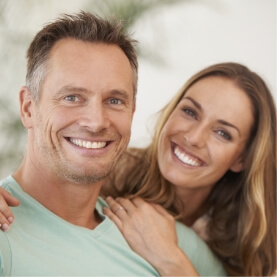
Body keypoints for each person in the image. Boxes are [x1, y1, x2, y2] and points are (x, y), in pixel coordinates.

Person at [0, 11, 226, 277]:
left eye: (115, 101)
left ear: (132, 111)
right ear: (28, 108)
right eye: (72, 97)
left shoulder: (169, 243)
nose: (96, 122)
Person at [99, 63, 276, 276]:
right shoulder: (107, 175)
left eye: (222, 133)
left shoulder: (253, 237)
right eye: (190, 112)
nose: (193, 138)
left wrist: (170, 260)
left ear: (241, 159)